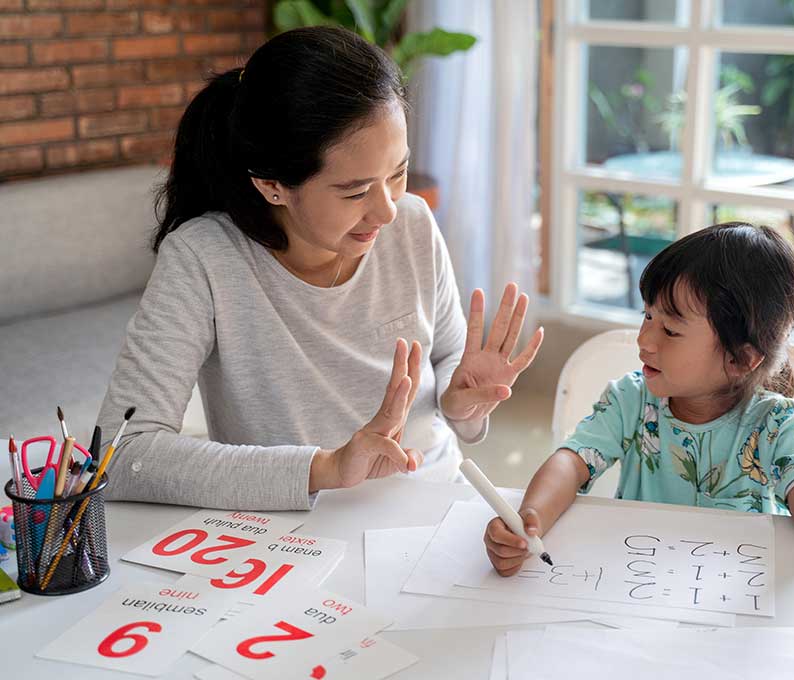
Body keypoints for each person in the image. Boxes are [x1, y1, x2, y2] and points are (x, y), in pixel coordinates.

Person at [96, 26, 542, 510]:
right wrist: (325, 468)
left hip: (434, 504)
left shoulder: (411, 221)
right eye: (355, 192)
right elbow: (122, 455)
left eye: (397, 173)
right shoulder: (204, 258)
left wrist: (463, 403)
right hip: (294, 535)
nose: (388, 210)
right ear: (272, 186)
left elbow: (450, 362)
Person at [484, 223, 794, 575]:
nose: (645, 340)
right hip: (631, 588)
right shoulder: (632, 400)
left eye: (670, 330)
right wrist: (531, 516)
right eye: (648, 315)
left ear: (740, 359)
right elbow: (571, 460)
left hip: (732, 612)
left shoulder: (775, 424)